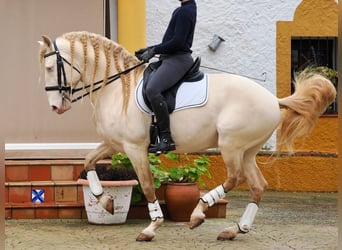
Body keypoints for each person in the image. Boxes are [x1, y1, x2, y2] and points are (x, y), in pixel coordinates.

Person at [136, 0, 197, 154]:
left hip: (177, 59)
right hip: (170, 58)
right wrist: (149, 49)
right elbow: (171, 41)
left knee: (153, 89)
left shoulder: (185, 11)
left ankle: (165, 138)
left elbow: (177, 42)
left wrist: (154, 50)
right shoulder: (183, 9)